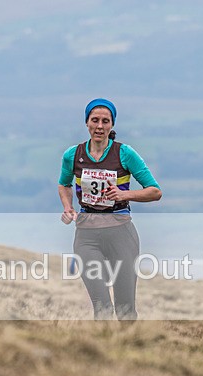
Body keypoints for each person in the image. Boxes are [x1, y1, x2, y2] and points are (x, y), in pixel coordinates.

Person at [58, 98, 162, 320]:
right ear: (86, 123)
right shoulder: (72, 155)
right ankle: (104, 351)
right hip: (87, 234)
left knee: (125, 308)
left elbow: (155, 191)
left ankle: (129, 351)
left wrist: (125, 194)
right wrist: (68, 207)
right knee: (101, 305)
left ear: (112, 125)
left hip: (120, 232)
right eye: (94, 120)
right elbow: (64, 184)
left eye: (105, 121)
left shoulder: (125, 153)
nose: (100, 126)